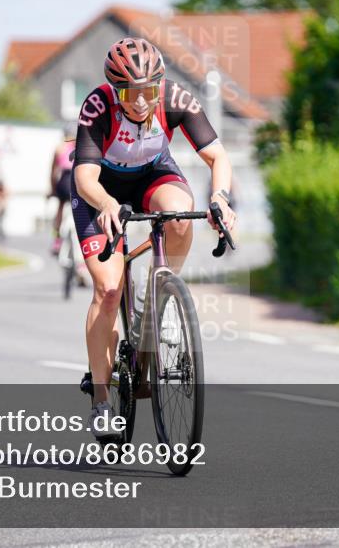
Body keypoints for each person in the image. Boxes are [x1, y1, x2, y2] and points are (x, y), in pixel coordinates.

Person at [71, 37, 237, 439]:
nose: (142, 102)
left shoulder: (174, 97)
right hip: (101, 191)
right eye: (131, 93)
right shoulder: (97, 106)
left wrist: (220, 198)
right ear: (115, 91)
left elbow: (217, 156)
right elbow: (84, 176)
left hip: (153, 175)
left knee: (179, 217)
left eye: (149, 90)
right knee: (109, 290)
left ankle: (161, 295)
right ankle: (101, 399)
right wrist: (107, 204)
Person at [49, 124, 77, 255]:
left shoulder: (59, 148)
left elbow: (53, 172)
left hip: (63, 180)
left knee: (60, 209)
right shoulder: (78, 146)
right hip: (75, 179)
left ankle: (57, 241)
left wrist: (52, 189)